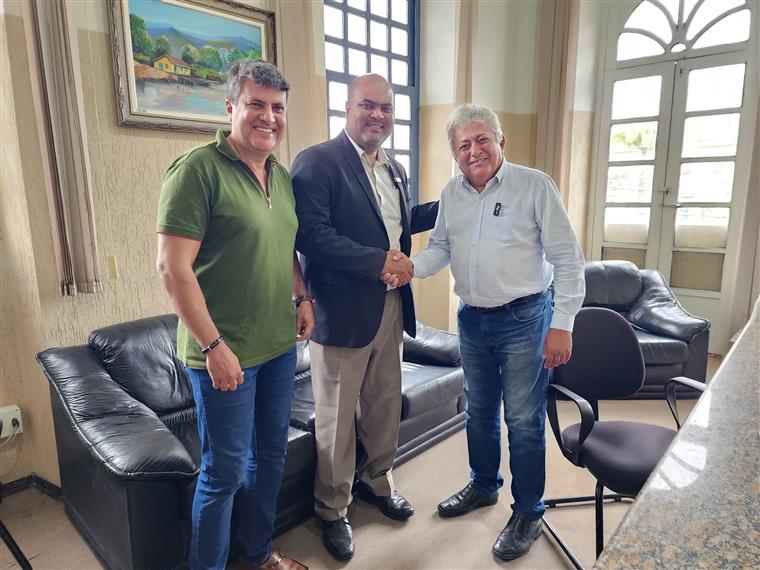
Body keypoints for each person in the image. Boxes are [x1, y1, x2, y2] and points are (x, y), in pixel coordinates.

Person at [396, 104, 585, 561]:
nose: (474, 150)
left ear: (501, 141)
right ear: (455, 153)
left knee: (522, 419)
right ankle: (483, 485)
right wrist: (410, 267)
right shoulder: (452, 193)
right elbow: (441, 248)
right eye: (464, 144)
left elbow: (567, 258)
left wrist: (562, 324)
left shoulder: (534, 185)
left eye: (482, 139)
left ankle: (528, 511)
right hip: (472, 320)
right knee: (478, 412)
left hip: (526, 319)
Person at [156, 61, 312, 570]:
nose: (269, 117)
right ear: (230, 108)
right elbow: (173, 268)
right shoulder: (196, 171)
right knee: (223, 473)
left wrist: (302, 296)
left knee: (269, 459)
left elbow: (284, 246)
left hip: (278, 347)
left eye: (277, 107)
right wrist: (213, 346)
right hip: (222, 354)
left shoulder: (280, 177)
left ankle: (258, 554)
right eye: (255, 104)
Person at [290, 73, 438, 560]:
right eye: (368, 105)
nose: (378, 115)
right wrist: (378, 261)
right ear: (347, 108)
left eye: (386, 108)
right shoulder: (317, 161)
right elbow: (310, 235)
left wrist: (458, 199)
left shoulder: (394, 168)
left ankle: (377, 481)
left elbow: (400, 222)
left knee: (383, 403)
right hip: (341, 311)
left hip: (390, 304)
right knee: (336, 417)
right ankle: (332, 508)